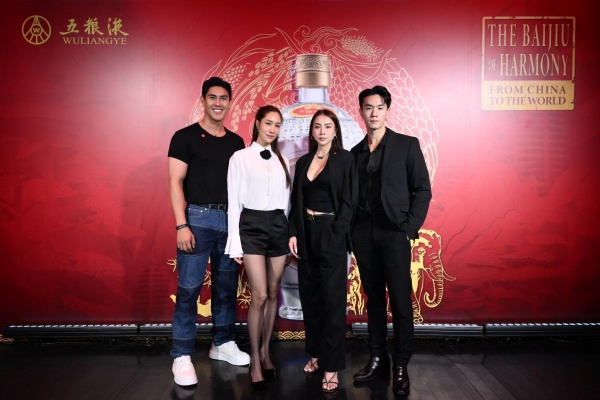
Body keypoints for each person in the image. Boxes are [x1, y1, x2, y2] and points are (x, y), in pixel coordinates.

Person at [167, 76, 250, 387]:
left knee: (226, 288)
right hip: (197, 219)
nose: (218, 103)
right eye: (212, 97)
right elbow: (175, 181)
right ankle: (181, 354)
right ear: (203, 100)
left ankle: (222, 343)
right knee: (189, 289)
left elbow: (241, 189)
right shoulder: (184, 137)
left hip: (229, 220)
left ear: (230, 102)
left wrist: (239, 232)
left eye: (223, 98)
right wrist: (181, 224)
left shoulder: (236, 142)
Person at [350, 85, 432, 396]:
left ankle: (400, 364)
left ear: (387, 110)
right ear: (361, 111)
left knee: (399, 299)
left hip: (394, 233)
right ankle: (377, 359)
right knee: (373, 299)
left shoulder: (406, 145)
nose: (373, 113)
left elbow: (422, 189)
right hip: (363, 233)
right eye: (368, 107)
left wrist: (409, 228)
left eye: (379, 107)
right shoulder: (354, 152)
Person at [288, 109, 357, 393]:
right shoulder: (303, 161)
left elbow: (350, 202)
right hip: (306, 233)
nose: (322, 131)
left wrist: (337, 235)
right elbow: (296, 200)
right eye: (317, 126)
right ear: (312, 131)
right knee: (311, 298)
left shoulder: (345, 159)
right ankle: (316, 354)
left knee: (332, 303)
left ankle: (332, 365)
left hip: (331, 233)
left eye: (327, 126)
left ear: (335, 130)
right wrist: (294, 231)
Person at [225, 105, 291, 392]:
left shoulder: (283, 160)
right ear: (257, 124)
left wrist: (289, 235)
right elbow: (233, 203)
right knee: (260, 294)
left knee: (274, 292)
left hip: (278, 226)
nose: (272, 129)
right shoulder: (239, 157)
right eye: (268, 123)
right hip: (251, 226)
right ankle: (254, 358)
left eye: (277, 125)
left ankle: (265, 352)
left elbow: (287, 203)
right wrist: (234, 242)